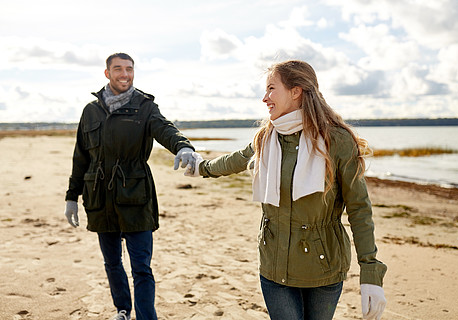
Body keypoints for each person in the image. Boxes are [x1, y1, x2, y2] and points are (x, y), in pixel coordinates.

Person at [185, 60, 387, 320]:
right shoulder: (267, 137)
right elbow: (235, 160)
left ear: (296, 91)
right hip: (273, 264)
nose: (264, 98)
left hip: (324, 267)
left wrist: (370, 271)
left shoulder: (336, 140)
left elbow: (359, 209)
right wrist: (201, 167)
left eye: (271, 89)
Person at [64, 53, 196, 320]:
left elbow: (166, 129)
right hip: (99, 198)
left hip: (136, 196)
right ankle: (123, 310)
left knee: (141, 268)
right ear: (107, 73)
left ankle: (147, 317)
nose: (125, 74)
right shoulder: (90, 110)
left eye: (129, 69)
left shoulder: (145, 106)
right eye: (118, 69)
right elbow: (81, 157)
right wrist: (71, 196)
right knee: (112, 263)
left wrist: (183, 145)